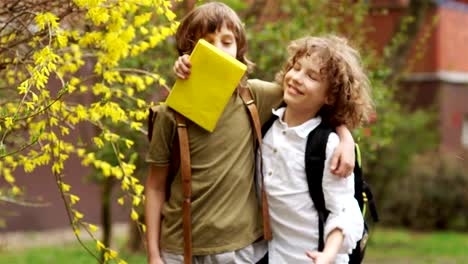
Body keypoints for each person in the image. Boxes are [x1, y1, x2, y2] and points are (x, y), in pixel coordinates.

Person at [145, 3, 356, 264]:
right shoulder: (169, 114)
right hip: (179, 248)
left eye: (227, 41)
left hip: (239, 250)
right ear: (188, 50)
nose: (218, 49)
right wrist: (153, 254)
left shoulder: (254, 96)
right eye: (206, 42)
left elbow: (315, 100)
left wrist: (345, 137)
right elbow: (155, 186)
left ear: (238, 49)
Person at [259, 35, 373, 264]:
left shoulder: (327, 145)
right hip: (271, 256)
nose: (296, 78)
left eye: (311, 76)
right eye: (296, 67)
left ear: (330, 96)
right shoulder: (267, 123)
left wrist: (328, 255)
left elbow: (343, 210)